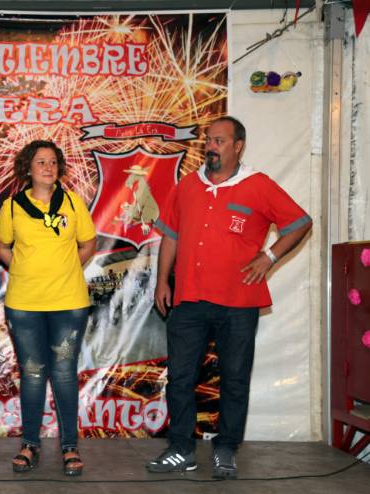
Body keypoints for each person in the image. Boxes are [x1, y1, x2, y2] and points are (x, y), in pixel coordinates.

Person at [147, 116, 312, 479]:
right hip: (189, 299)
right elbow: (171, 235)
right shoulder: (188, 185)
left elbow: (300, 223)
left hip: (238, 302)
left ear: (238, 146)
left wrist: (269, 257)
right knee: (180, 378)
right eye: (208, 140)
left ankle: (226, 449)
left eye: (219, 141)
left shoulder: (258, 185)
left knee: (235, 378)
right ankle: (181, 449)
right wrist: (162, 281)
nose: (211, 146)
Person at [0, 140, 96, 476]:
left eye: (53, 161)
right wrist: (21, 268)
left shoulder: (72, 202)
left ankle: (70, 446)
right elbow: (1, 245)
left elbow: (89, 243)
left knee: (65, 374)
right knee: (33, 374)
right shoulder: (12, 207)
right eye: (41, 162)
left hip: (68, 303)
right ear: (28, 168)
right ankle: (30, 444)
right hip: (25, 304)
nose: (48, 167)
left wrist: (66, 269)